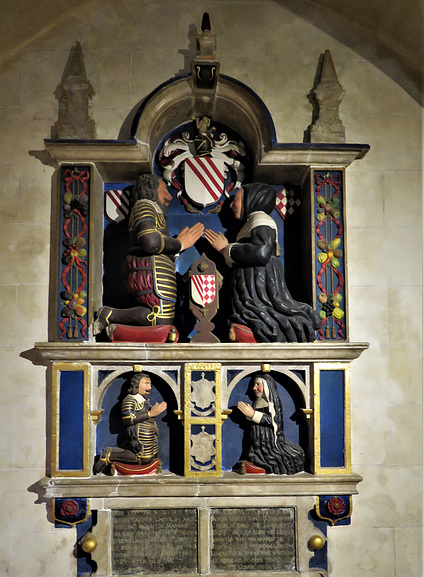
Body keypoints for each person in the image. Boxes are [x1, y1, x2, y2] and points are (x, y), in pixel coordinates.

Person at [204, 182, 320, 342]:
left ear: (251, 199)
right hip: (251, 281)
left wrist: (226, 249)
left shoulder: (261, 219)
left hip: (260, 281)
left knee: (265, 313)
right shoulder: (252, 221)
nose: (231, 205)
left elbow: (261, 252)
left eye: (235, 199)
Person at [93, 174, 204, 333]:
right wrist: (179, 243)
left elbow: (157, 246)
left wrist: (179, 247)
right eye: (164, 190)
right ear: (150, 191)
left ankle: (117, 325)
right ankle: (110, 314)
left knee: (162, 319)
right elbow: (150, 242)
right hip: (150, 270)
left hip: (157, 270)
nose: (169, 196)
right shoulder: (144, 206)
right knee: (160, 318)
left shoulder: (152, 210)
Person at [93, 372, 166, 474]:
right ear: (136, 385)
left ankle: (122, 451)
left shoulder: (144, 400)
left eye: (150, 384)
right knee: (144, 458)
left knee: (152, 455)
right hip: (139, 435)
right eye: (146, 384)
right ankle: (109, 454)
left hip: (148, 435)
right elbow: (128, 418)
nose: (149, 387)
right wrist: (151, 413)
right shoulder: (130, 400)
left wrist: (152, 413)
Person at [237, 374, 304, 474]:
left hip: (270, 442)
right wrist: (249, 415)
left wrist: (253, 414)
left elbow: (274, 421)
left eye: (258, 384)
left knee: (279, 458)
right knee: (255, 455)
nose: (254, 388)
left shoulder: (273, 403)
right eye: (254, 384)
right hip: (256, 441)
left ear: (267, 386)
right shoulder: (257, 401)